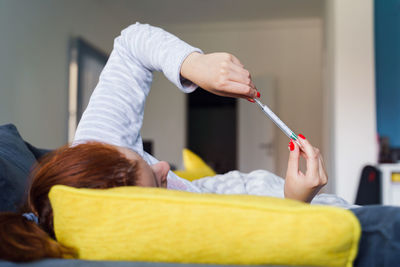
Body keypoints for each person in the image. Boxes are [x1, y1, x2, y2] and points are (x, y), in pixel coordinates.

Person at [0, 23, 399, 265]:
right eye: (156, 184)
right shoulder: (154, 238)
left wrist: (196, 64)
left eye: (139, 157)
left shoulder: (95, 143)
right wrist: (295, 201)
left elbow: (132, 42)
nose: (162, 167)